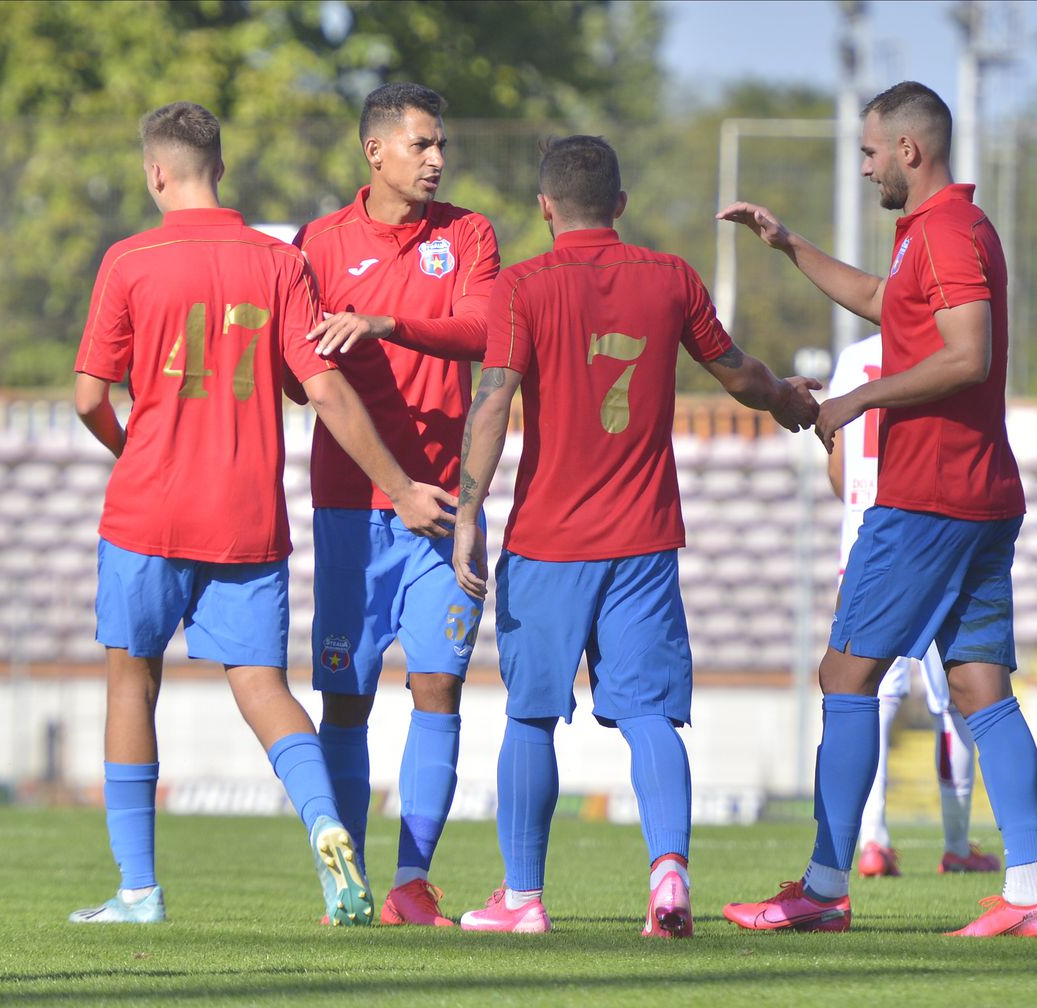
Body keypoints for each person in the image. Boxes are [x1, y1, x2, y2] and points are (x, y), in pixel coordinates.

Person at [68, 102, 453, 925]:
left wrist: (129, 449)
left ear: (156, 172)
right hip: (247, 514)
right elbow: (325, 392)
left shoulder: (129, 260)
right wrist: (399, 484)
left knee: (132, 682)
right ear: (221, 168)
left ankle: (138, 890)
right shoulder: (280, 262)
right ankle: (323, 824)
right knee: (262, 686)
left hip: (147, 508)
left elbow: (89, 396)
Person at [451, 134, 821, 936]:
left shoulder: (522, 286)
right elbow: (739, 373)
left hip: (548, 542)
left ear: (545, 208)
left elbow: (493, 401)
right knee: (650, 714)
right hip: (644, 541)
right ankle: (669, 875)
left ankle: (522, 899)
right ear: (619, 204)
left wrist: (467, 513)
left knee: (531, 716)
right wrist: (787, 401)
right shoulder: (671, 278)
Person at [717, 81, 1037, 937]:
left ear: (909, 148)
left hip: (928, 497)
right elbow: (882, 302)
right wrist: (790, 245)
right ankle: (1029, 894)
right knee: (979, 687)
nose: (866, 168)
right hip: (979, 494)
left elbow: (968, 355)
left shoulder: (944, 231)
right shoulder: (943, 230)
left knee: (845, 677)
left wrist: (859, 398)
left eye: (870, 153)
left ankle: (824, 888)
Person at [291, 82, 500, 928]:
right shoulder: (317, 244)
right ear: (375, 151)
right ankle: (348, 886)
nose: (438, 158)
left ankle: (413, 885)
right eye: (422, 144)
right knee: (346, 697)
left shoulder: (468, 233)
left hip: (445, 505)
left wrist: (383, 322)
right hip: (352, 508)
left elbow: (483, 332)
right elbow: (301, 375)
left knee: (438, 686)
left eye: (441, 143)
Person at [828, 334, 999, 879]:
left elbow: (838, 465)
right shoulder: (948, 346)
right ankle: (957, 843)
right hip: (935, 531)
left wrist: (861, 506)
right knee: (956, 698)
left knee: (867, 694)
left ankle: (871, 841)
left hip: (866, 541)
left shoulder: (854, 357)